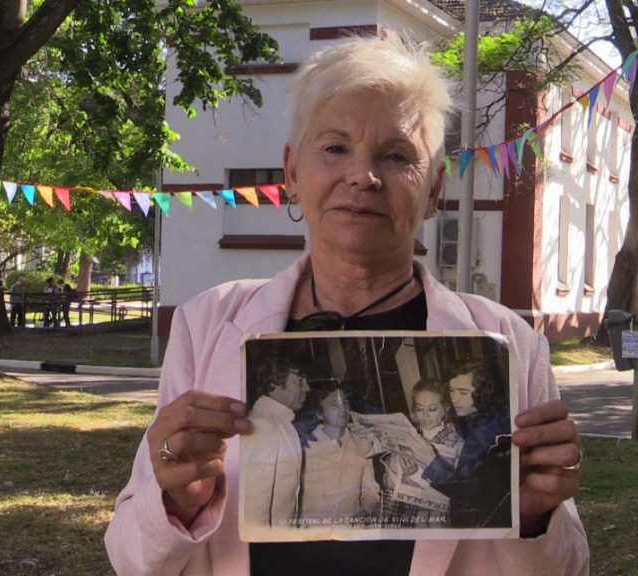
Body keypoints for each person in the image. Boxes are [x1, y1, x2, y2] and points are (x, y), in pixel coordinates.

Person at [105, 32, 588, 576]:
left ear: (434, 189)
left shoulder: (510, 345)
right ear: (292, 173)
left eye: (398, 155)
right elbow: (131, 558)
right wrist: (176, 502)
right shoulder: (208, 325)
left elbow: (567, 568)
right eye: (335, 148)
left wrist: (534, 518)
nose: (363, 175)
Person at [422, 363, 512, 527]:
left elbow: (464, 488)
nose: (455, 399)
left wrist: (430, 458)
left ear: (483, 393)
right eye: (451, 391)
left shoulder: (485, 431)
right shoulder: (485, 418)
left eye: (463, 392)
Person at [381, 379, 463, 528]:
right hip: (402, 511)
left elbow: (452, 489)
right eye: (420, 409)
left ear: (445, 409)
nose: (425, 415)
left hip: (431, 518)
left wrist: (412, 473)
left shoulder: (455, 442)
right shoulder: (408, 434)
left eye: (432, 409)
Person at [240, 361, 310, 530]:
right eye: (300, 381)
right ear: (274, 383)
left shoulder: (280, 423)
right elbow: (254, 519)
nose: (307, 388)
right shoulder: (262, 427)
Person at [298, 384, 380, 523]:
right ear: (319, 414)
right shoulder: (303, 447)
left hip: (350, 531)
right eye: (334, 405)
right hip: (312, 532)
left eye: (345, 403)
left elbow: (371, 491)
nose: (342, 409)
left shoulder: (361, 442)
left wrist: (365, 510)